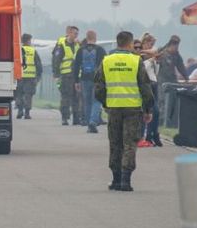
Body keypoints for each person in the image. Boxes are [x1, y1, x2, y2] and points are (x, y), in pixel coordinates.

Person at [94, 31, 154, 192]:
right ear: (129, 44)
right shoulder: (136, 61)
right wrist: (148, 109)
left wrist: (106, 103)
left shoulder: (106, 61)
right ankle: (126, 181)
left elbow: (98, 88)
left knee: (115, 143)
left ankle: (115, 179)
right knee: (129, 143)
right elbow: (145, 87)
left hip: (113, 108)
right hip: (133, 109)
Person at [73, 30, 107, 133]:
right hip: (97, 80)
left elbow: (76, 66)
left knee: (87, 102)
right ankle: (93, 122)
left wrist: (76, 81)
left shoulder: (80, 50)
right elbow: (105, 66)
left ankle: (88, 124)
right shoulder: (101, 50)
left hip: (84, 79)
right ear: (95, 38)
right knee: (96, 101)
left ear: (86, 38)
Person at [156, 35, 190, 129]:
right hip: (162, 80)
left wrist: (186, 78)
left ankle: (171, 121)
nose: (176, 48)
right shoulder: (162, 53)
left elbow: (181, 67)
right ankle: (161, 121)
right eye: (175, 45)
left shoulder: (176, 55)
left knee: (174, 100)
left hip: (172, 80)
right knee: (162, 100)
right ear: (171, 44)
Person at [50, 26, 80, 125]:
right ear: (69, 33)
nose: (76, 36)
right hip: (65, 75)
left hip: (76, 76)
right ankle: (65, 118)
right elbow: (56, 60)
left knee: (76, 97)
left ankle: (76, 118)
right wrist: (56, 74)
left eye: (77, 34)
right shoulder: (61, 45)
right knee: (65, 97)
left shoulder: (77, 45)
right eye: (75, 33)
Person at [15, 33, 42, 119]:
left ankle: (19, 110)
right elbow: (38, 64)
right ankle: (27, 113)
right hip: (30, 77)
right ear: (28, 41)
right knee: (28, 95)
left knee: (19, 94)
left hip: (19, 77)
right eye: (30, 40)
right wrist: (38, 75)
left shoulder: (18, 50)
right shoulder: (33, 51)